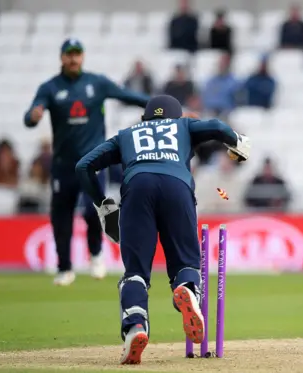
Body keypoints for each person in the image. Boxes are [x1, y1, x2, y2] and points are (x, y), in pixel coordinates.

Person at [75, 95, 250, 364]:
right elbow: (216, 125)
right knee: (185, 262)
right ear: (176, 116)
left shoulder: (127, 134)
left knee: (135, 272)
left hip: (137, 188)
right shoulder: (183, 126)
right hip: (177, 187)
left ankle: (136, 327)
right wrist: (237, 142)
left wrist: (103, 206)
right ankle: (188, 289)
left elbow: (83, 166)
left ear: (146, 119)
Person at [23, 38, 150, 286]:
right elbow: (29, 117)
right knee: (61, 217)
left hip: (92, 163)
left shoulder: (97, 83)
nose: (73, 58)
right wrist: (33, 116)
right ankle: (64, 268)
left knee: (93, 209)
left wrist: (161, 106)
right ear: (61, 57)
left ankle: (96, 254)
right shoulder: (50, 88)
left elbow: (129, 95)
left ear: (82, 56)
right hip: (62, 165)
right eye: (68, 54)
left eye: (77, 54)